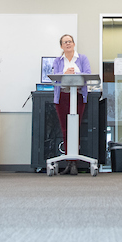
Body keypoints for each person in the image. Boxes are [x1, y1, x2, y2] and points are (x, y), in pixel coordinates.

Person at [50, 34, 91, 174]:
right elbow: (55, 79)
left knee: (75, 128)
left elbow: (88, 75)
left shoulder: (82, 58)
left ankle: (74, 163)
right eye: (65, 42)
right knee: (65, 129)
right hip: (62, 97)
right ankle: (69, 162)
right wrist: (65, 74)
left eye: (70, 41)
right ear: (61, 46)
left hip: (78, 96)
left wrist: (75, 73)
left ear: (74, 44)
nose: (68, 44)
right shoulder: (58, 61)